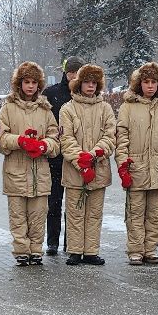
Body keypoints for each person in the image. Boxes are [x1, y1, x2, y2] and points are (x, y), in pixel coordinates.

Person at [0, 61, 60, 266]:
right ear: (20, 83)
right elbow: (1, 139)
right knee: (18, 216)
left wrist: (44, 145)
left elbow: (55, 139)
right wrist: (20, 141)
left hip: (39, 173)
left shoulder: (45, 110)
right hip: (16, 171)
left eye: (34, 82)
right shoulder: (8, 108)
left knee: (38, 215)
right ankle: (21, 251)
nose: (30, 86)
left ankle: (36, 250)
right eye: (26, 82)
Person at [116, 62, 158, 265]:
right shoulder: (127, 107)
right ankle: (135, 249)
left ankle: (150, 249)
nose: (150, 86)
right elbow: (121, 138)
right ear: (138, 84)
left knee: (154, 213)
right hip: (136, 168)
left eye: (153, 82)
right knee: (135, 213)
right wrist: (123, 165)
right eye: (146, 82)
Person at [57, 63, 116, 265]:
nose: (90, 86)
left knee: (94, 212)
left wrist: (93, 156)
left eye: (94, 83)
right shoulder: (68, 109)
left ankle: (91, 250)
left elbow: (110, 136)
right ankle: (75, 250)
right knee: (75, 212)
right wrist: (80, 160)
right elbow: (66, 138)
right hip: (75, 171)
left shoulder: (106, 108)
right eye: (86, 82)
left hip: (98, 169)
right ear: (79, 84)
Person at [42, 59, 85, 257]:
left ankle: (72, 242)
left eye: (78, 72)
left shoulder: (85, 94)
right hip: (56, 158)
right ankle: (52, 241)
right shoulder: (52, 93)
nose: (74, 76)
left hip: (77, 156)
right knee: (54, 203)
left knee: (75, 203)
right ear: (65, 73)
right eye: (71, 72)